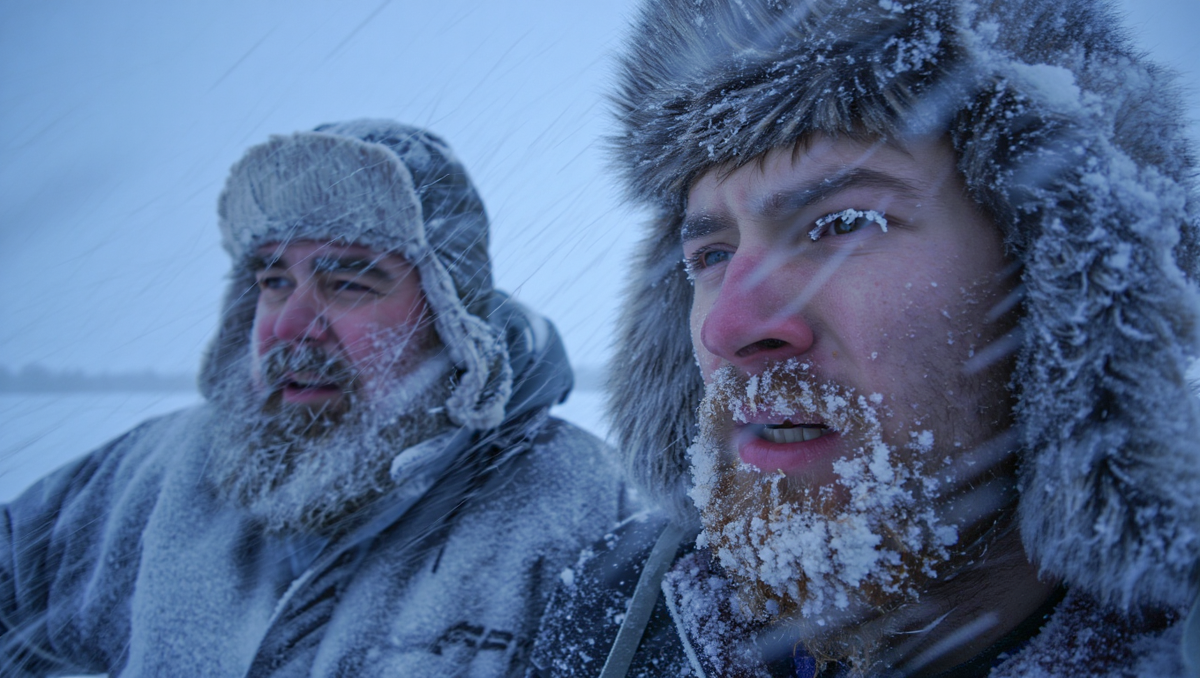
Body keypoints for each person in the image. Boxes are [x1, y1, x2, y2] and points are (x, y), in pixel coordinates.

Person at [530, 0, 1200, 675]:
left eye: (843, 221)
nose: (729, 326)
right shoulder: (614, 612)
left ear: (1055, 283)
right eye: (711, 255)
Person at [0, 119, 621, 677]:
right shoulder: (154, 478)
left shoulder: (585, 511)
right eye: (273, 280)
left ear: (449, 313)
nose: (289, 324)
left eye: (348, 282)